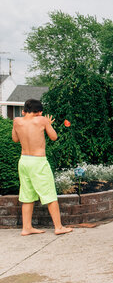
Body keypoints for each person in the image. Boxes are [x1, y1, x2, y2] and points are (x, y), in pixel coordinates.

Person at [11, 99, 73, 236]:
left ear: (24, 111)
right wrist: (48, 124)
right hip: (38, 161)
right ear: (39, 112)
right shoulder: (42, 120)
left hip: (24, 161)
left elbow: (15, 139)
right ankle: (59, 227)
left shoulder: (16, 121)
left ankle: (26, 228)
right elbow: (54, 137)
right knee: (49, 193)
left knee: (27, 194)